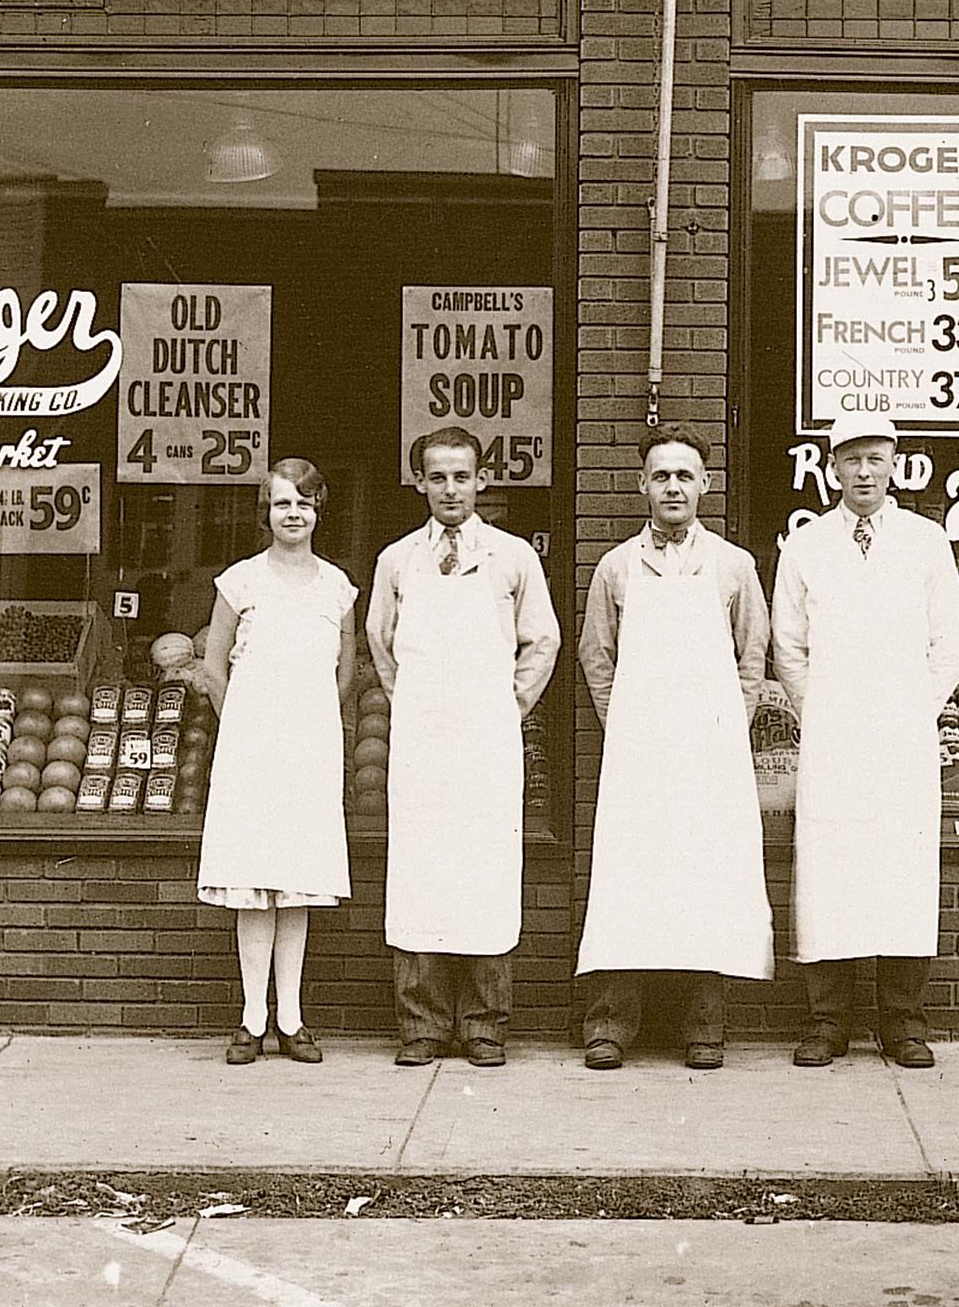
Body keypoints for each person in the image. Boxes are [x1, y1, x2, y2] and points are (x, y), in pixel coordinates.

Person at [771, 409, 959, 1069]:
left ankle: (903, 1022)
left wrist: (913, 710)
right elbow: (788, 647)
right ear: (833, 467)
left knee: (902, 873)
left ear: (895, 465)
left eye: (876, 459)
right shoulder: (806, 546)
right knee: (831, 874)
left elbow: (953, 643)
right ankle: (827, 1020)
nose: (864, 471)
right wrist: (823, 711)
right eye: (851, 459)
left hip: (902, 739)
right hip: (832, 739)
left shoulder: (925, 541)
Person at [574, 422, 773, 1072]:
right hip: (638, 757)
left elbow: (753, 658)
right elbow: (595, 658)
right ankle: (610, 1025)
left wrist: (724, 728)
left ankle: (703, 1026)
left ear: (705, 485)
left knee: (706, 880)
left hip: (709, 755)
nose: (673, 487)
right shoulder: (616, 568)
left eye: (684, 475)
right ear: (642, 486)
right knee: (628, 882)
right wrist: (627, 726)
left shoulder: (734, 566)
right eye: (661, 475)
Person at [366, 424, 561, 1067]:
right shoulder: (397, 560)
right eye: (437, 476)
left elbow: (542, 642)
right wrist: (414, 703)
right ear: (418, 482)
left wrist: (507, 704)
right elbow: (381, 643)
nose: (450, 489)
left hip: (487, 738)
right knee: (420, 873)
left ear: (482, 480)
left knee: (485, 874)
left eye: (462, 475)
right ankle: (421, 1023)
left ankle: (483, 1023)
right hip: (423, 738)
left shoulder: (512, 558)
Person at [194, 458, 357, 1066]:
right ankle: (251, 1018)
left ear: (319, 512)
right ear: (266, 513)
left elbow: (344, 670)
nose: (294, 514)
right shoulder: (240, 582)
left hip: (309, 747)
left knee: (297, 884)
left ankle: (291, 1018)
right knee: (252, 885)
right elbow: (213, 667)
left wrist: (307, 722)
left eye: (305, 504)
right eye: (283, 503)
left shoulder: (337, 588)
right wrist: (247, 724)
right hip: (251, 747)